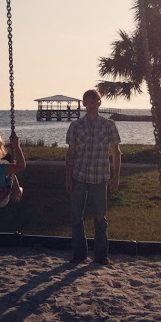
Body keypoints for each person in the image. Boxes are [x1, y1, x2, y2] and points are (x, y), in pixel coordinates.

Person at [65, 89, 121, 265]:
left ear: (99, 102)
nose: (91, 104)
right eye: (88, 101)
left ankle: (101, 255)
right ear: (84, 104)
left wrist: (116, 177)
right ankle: (79, 254)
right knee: (76, 216)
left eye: (94, 100)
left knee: (100, 218)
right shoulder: (75, 126)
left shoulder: (109, 125)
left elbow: (116, 152)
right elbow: (70, 153)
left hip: (100, 176)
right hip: (79, 174)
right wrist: (68, 178)